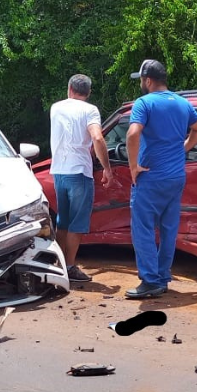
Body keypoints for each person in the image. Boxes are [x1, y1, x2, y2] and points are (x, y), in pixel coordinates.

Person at [125, 59, 197, 299]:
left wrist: (133, 166)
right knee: (169, 229)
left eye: (141, 80)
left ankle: (150, 281)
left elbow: (132, 133)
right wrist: (183, 147)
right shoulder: (182, 103)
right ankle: (162, 278)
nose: (141, 84)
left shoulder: (144, 103)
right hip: (176, 176)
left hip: (151, 177)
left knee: (143, 229)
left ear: (148, 80)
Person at [50, 74, 111, 282]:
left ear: (69, 89)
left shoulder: (55, 108)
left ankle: (57, 265)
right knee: (77, 222)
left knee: (63, 220)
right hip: (79, 172)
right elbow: (97, 137)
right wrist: (107, 168)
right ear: (89, 92)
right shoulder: (90, 110)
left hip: (58, 171)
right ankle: (70, 266)